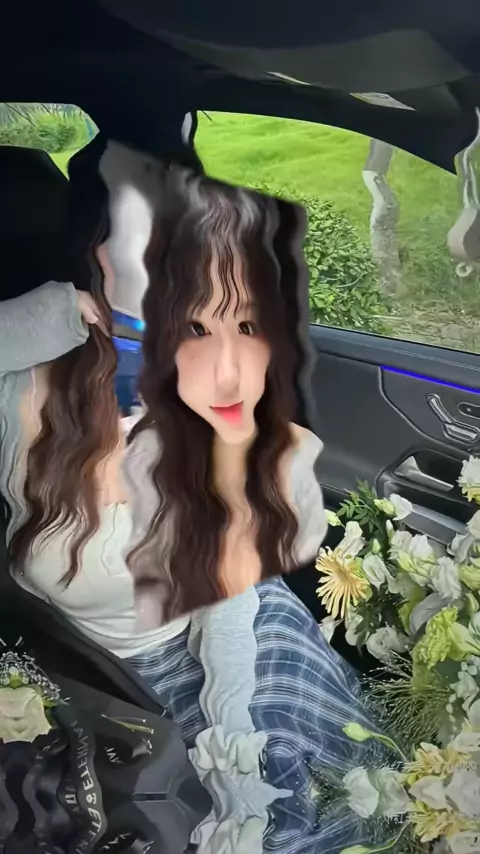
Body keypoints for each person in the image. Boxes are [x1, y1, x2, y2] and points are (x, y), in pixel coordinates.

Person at [0, 149, 381, 853]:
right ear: (96, 257)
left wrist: (231, 739)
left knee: (292, 808)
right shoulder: (21, 387)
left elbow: (229, 609)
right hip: (94, 674)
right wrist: (48, 312)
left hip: (234, 647)